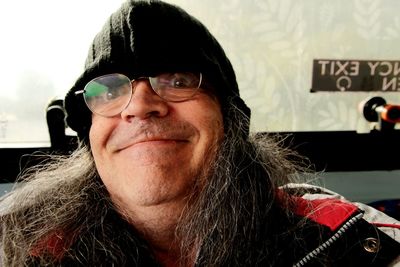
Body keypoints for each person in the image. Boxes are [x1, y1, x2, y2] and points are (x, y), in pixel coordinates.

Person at [0, 0, 399, 266]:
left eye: (177, 79)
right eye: (108, 90)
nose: (138, 105)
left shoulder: (350, 238)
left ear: (230, 118)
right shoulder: (18, 247)